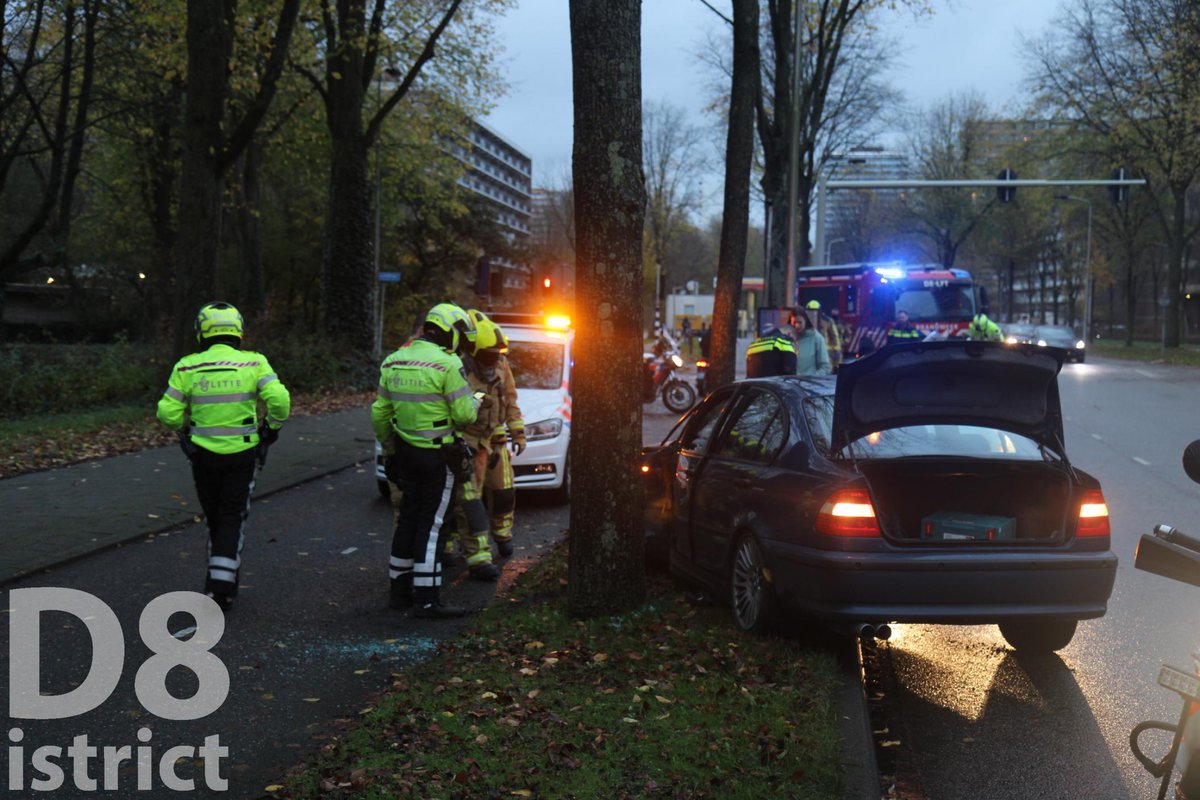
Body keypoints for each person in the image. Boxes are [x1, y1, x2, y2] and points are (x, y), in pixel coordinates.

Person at [156, 301, 291, 613]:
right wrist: (270, 429)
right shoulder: (254, 362)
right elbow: (280, 401)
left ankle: (218, 580)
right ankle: (221, 586)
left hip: (202, 456)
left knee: (215, 517)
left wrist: (183, 430)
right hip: (243, 454)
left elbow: (166, 412)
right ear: (238, 330)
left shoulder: (186, 366)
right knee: (232, 517)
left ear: (201, 332)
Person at [372, 303, 479, 619]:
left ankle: (399, 592)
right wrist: (475, 401)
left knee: (408, 518)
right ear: (449, 331)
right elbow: (464, 415)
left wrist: (389, 449)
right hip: (438, 456)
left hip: (405, 452)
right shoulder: (448, 364)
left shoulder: (394, 360)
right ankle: (428, 599)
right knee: (432, 526)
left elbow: (380, 413)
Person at [448, 310, 526, 579]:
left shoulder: (502, 365)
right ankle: (477, 556)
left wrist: (518, 433)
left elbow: (511, 400)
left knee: (504, 492)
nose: (495, 359)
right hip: (468, 442)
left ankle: (503, 535)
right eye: (490, 355)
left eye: (498, 354)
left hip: (496, 440)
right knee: (469, 502)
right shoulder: (458, 369)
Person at [806, 299, 843, 372]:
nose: (813, 314)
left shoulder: (827, 321)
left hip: (825, 353)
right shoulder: (804, 322)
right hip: (809, 354)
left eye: (815, 311)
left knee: (825, 372)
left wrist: (836, 351)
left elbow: (835, 337)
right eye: (811, 311)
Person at [793, 308, 832, 376]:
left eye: (800, 322)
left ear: (806, 321)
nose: (797, 326)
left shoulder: (816, 338)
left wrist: (811, 378)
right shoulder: (788, 337)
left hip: (808, 382)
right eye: (794, 322)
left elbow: (825, 367)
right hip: (790, 382)